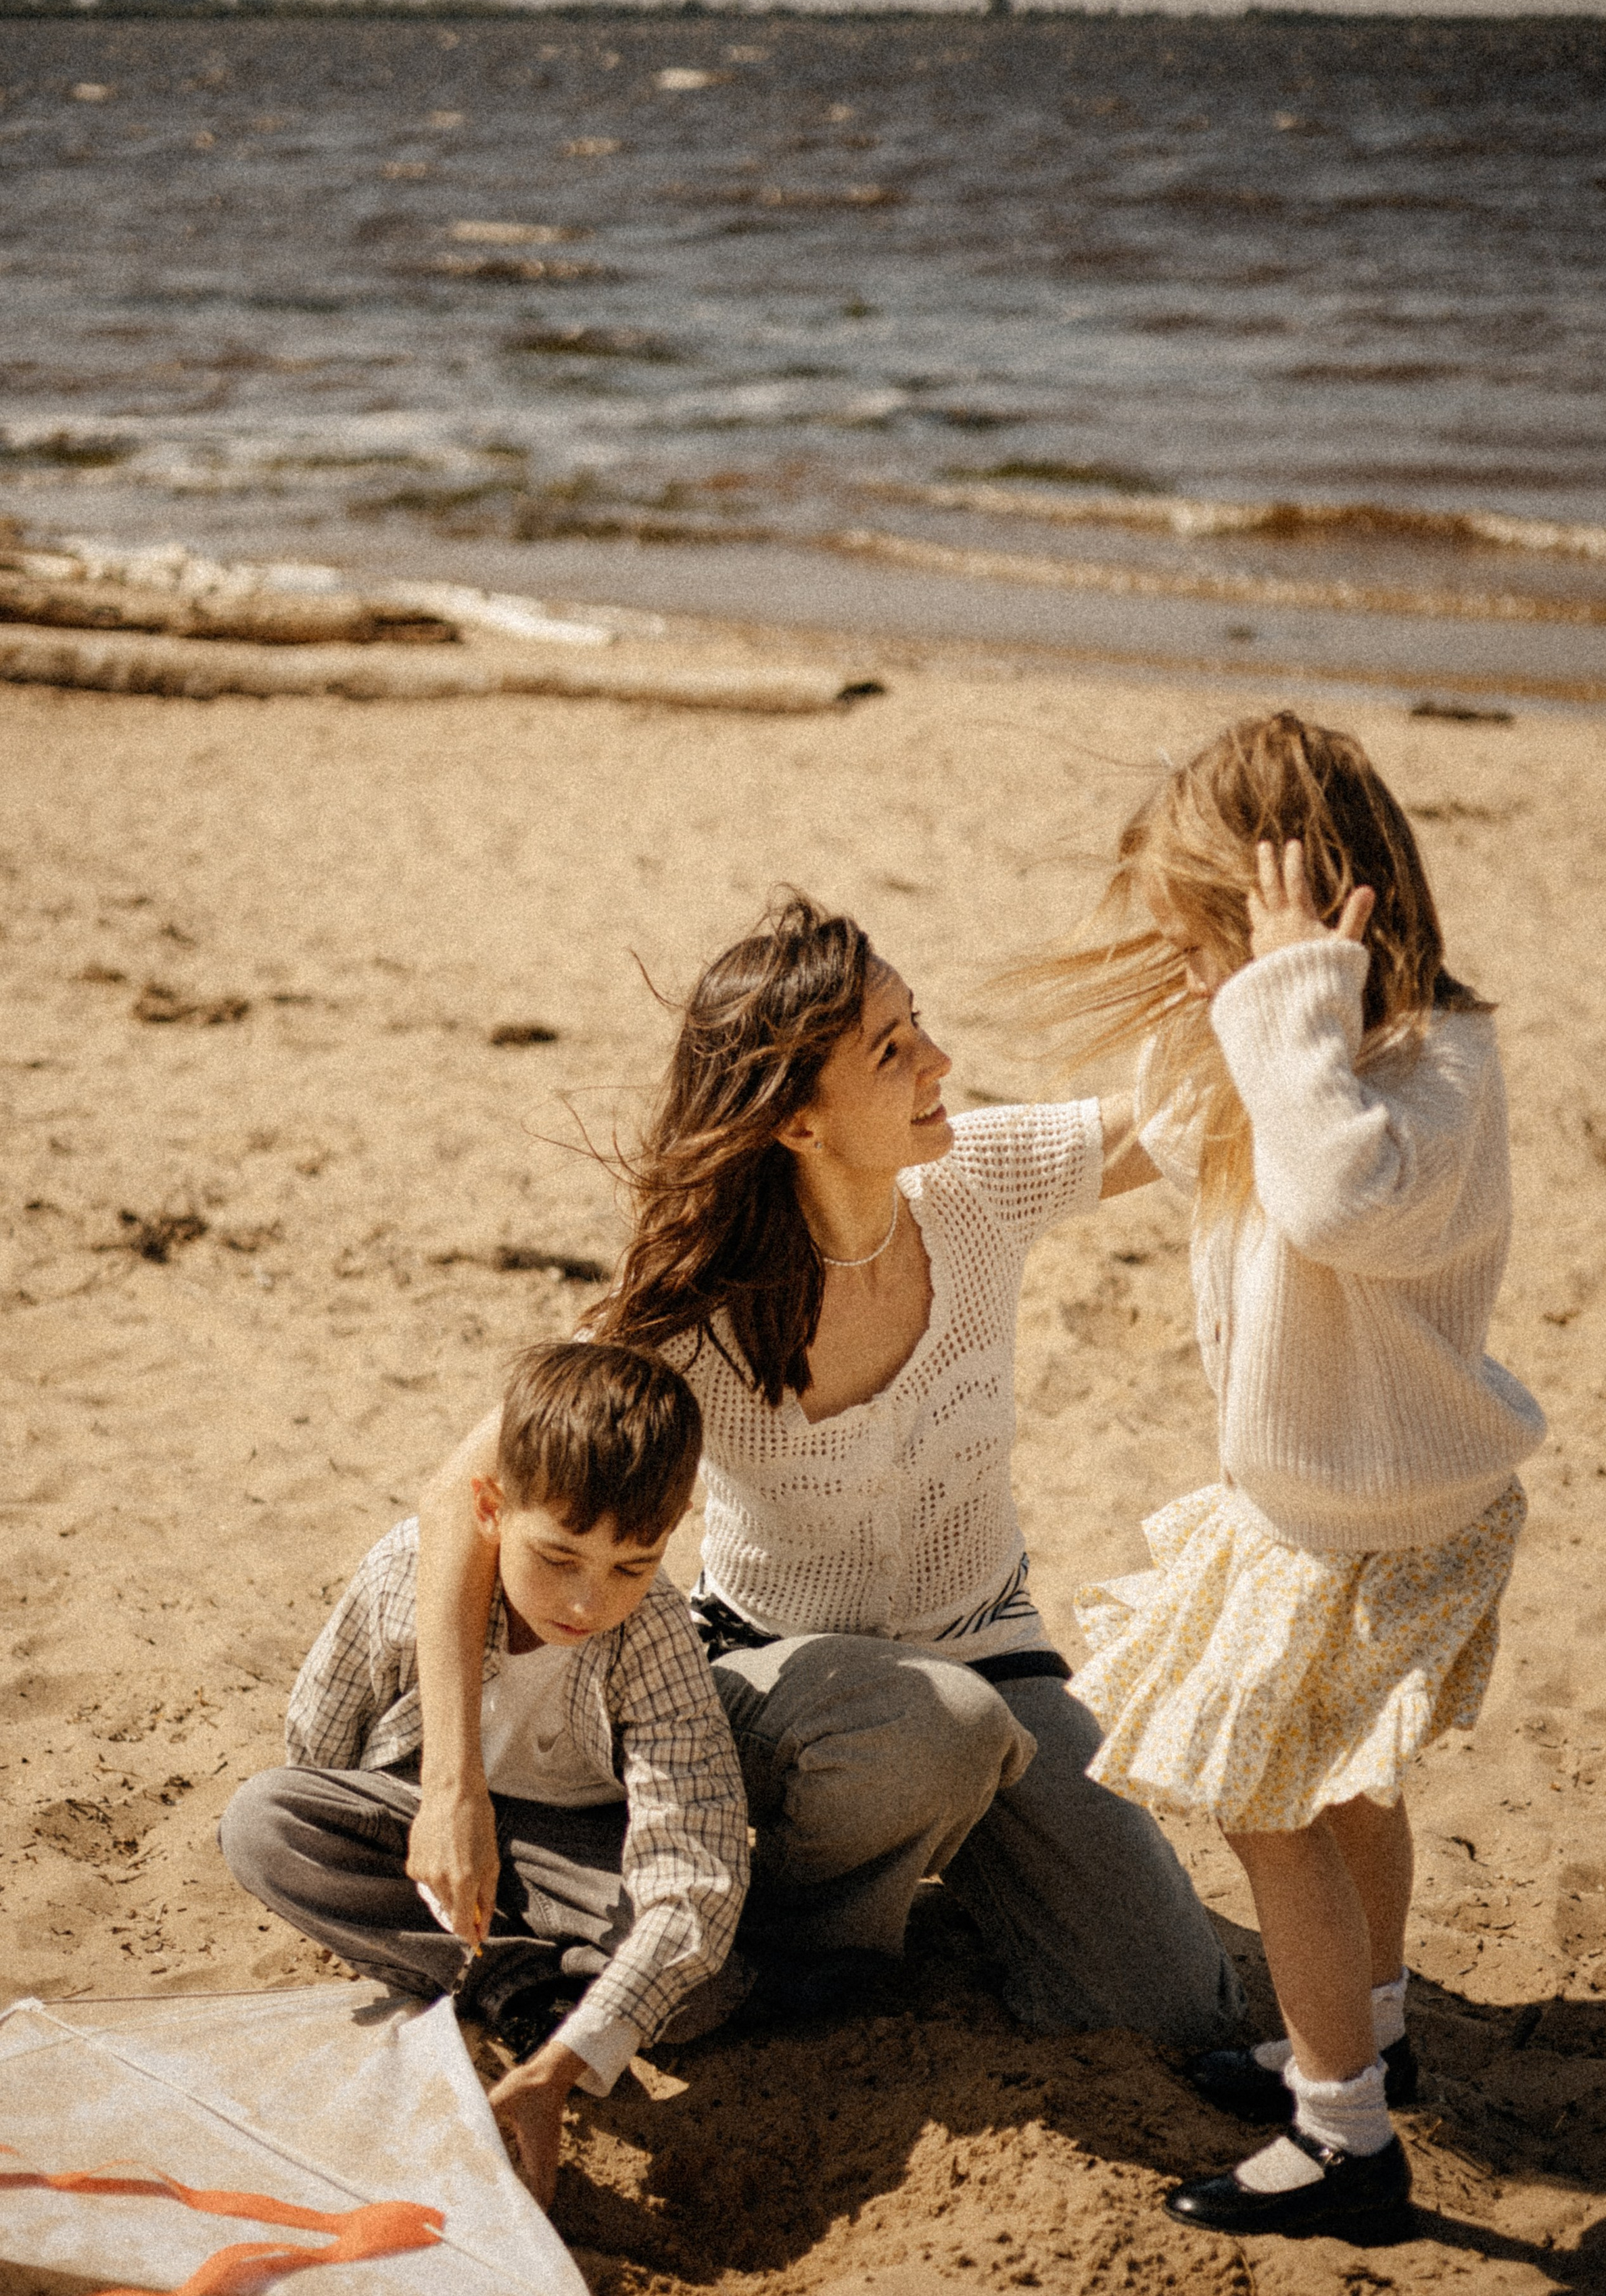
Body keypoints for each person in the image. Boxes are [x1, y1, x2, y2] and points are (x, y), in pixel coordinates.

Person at [408, 895, 1241, 2049]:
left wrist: (1252, 973)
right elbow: (464, 1498)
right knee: (930, 1733)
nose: (939, 1063)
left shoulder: (978, 1186)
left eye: (920, 1026)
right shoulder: (697, 1317)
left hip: (988, 1650)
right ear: (797, 1122)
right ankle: (797, 1948)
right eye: (892, 1051)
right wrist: (451, 1784)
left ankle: (929, 1847)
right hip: (771, 1687)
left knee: (1174, 2006)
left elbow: (1188, 1114)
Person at [1044, 710, 1544, 2239]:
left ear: (1305, 913)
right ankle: (1367, 2025)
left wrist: (1285, 996)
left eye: (1209, 936)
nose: (1198, 975)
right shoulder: (1278, 1053)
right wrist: (908, 1175)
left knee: (1259, 1803)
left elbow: (1336, 1203)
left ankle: (1341, 2137)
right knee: (1332, 1784)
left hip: (1363, 1515)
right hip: (1328, 1499)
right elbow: (1109, 1146)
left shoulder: (1426, 1072)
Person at [219, 1339, 751, 2209]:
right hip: (418, 1819)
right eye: (559, 1557)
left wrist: (565, 2064)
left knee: (701, 1989)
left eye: (632, 1565)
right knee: (265, 1826)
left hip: (569, 1858)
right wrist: (398, 1837)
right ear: (491, 1506)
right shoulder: (402, 1574)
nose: (588, 1602)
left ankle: (527, 1984)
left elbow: (696, 1864)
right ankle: (508, 1976)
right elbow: (317, 1744)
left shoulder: (649, 1629)